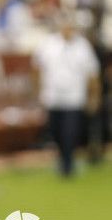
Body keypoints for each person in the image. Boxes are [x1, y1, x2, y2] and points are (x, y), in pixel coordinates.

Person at [33, 12, 100, 177]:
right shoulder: (48, 44)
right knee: (56, 133)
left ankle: (68, 165)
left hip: (74, 98)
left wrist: (94, 96)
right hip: (53, 97)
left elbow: (92, 74)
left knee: (69, 133)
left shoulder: (83, 46)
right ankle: (63, 159)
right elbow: (36, 68)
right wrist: (37, 91)